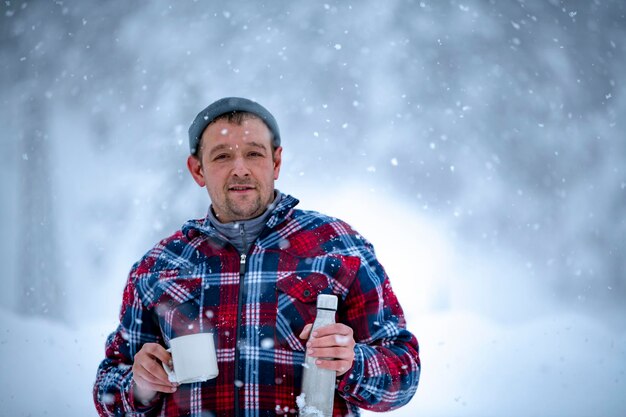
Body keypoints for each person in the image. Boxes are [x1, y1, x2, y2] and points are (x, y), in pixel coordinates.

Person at [93, 97, 420, 417]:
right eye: (222, 156)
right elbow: (109, 385)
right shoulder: (159, 265)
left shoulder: (337, 246)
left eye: (254, 153)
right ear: (197, 170)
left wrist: (354, 363)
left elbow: (404, 371)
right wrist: (138, 386)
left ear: (276, 163)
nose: (240, 169)